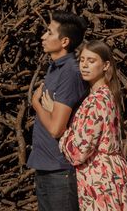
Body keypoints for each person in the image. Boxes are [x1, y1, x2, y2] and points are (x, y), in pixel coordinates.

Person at [42, 40, 127, 211]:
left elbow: (78, 153)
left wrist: (57, 117)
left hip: (101, 182)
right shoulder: (105, 96)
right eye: (82, 60)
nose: (84, 65)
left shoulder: (97, 101)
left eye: (91, 61)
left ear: (105, 65)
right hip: (111, 176)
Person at [27, 11, 88, 211]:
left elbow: (56, 128)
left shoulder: (70, 72)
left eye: (49, 32)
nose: (43, 37)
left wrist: (36, 103)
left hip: (60, 170)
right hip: (46, 167)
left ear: (64, 41)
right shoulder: (55, 68)